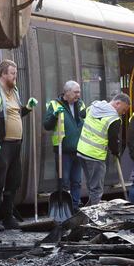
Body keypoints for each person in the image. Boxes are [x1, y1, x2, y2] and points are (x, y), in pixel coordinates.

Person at [0, 59, 37, 229]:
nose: (15, 77)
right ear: (3, 74)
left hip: (15, 144)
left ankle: (7, 216)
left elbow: (15, 113)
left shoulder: (14, 91)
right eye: (13, 74)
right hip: (2, 144)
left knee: (14, 180)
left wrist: (27, 108)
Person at [76, 92, 131, 206]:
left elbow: (82, 114)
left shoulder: (94, 106)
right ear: (118, 103)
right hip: (95, 156)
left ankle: (87, 214)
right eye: (124, 109)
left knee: (92, 186)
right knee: (96, 189)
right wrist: (116, 152)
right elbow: (113, 140)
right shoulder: (114, 119)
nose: (124, 113)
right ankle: (94, 217)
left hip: (82, 152)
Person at [42, 80, 86, 211]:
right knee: (64, 180)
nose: (78, 95)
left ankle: (75, 205)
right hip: (63, 150)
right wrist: (54, 116)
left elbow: (84, 120)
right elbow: (47, 125)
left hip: (79, 149)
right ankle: (64, 206)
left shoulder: (81, 104)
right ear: (67, 92)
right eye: (76, 92)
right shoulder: (55, 105)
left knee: (77, 181)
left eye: (79, 92)